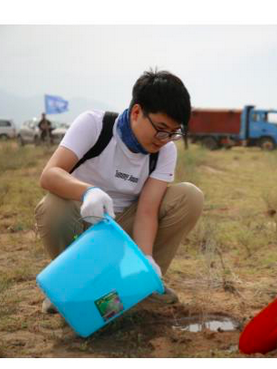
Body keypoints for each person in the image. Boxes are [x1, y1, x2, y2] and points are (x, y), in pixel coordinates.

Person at [35, 69, 204, 313]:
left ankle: (138, 287)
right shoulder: (96, 125)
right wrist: (88, 192)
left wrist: (146, 258)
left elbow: (147, 210)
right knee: (54, 207)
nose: (165, 139)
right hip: (85, 223)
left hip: (124, 229)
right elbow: (50, 174)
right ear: (137, 112)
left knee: (190, 197)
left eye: (173, 133)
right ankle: (66, 287)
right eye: (161, 128)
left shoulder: (165, 151)